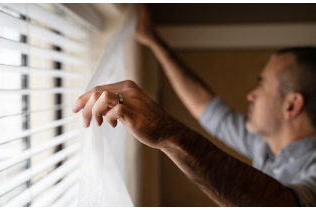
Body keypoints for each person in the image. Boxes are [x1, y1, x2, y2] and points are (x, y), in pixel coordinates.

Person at [72, 4, 316, 207]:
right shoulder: (266, 146)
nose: (251, 96)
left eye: (261, 86)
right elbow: (206, 107)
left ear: (291, 105)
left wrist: (167, 131)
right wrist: (155, 42)